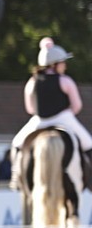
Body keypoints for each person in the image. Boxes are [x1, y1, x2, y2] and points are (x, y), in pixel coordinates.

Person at [11, 37, 92, 189]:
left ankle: (16, 176)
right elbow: (77, 106)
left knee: (17, 143)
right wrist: (65, 114)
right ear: (54, 64)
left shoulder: (32, 82)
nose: (65, 66)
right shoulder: (65, 81)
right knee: (88, 142)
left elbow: (30, 108)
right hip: (64, 118)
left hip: (40, 120)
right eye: (62, 63)